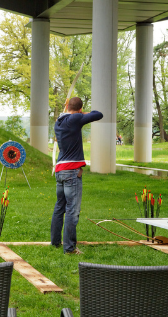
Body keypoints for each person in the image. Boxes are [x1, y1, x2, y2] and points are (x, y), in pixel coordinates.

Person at [51, 97, 103, 254]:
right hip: (71, 172)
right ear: (80, 109)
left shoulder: (58, 122)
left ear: (67, 106)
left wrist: (71, 110)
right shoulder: (75, 118)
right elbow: (98, 114)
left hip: (60, 171)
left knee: (60, 207)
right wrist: (81, 113)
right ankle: (69, 248)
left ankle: (55, 243)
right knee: (72, 210)